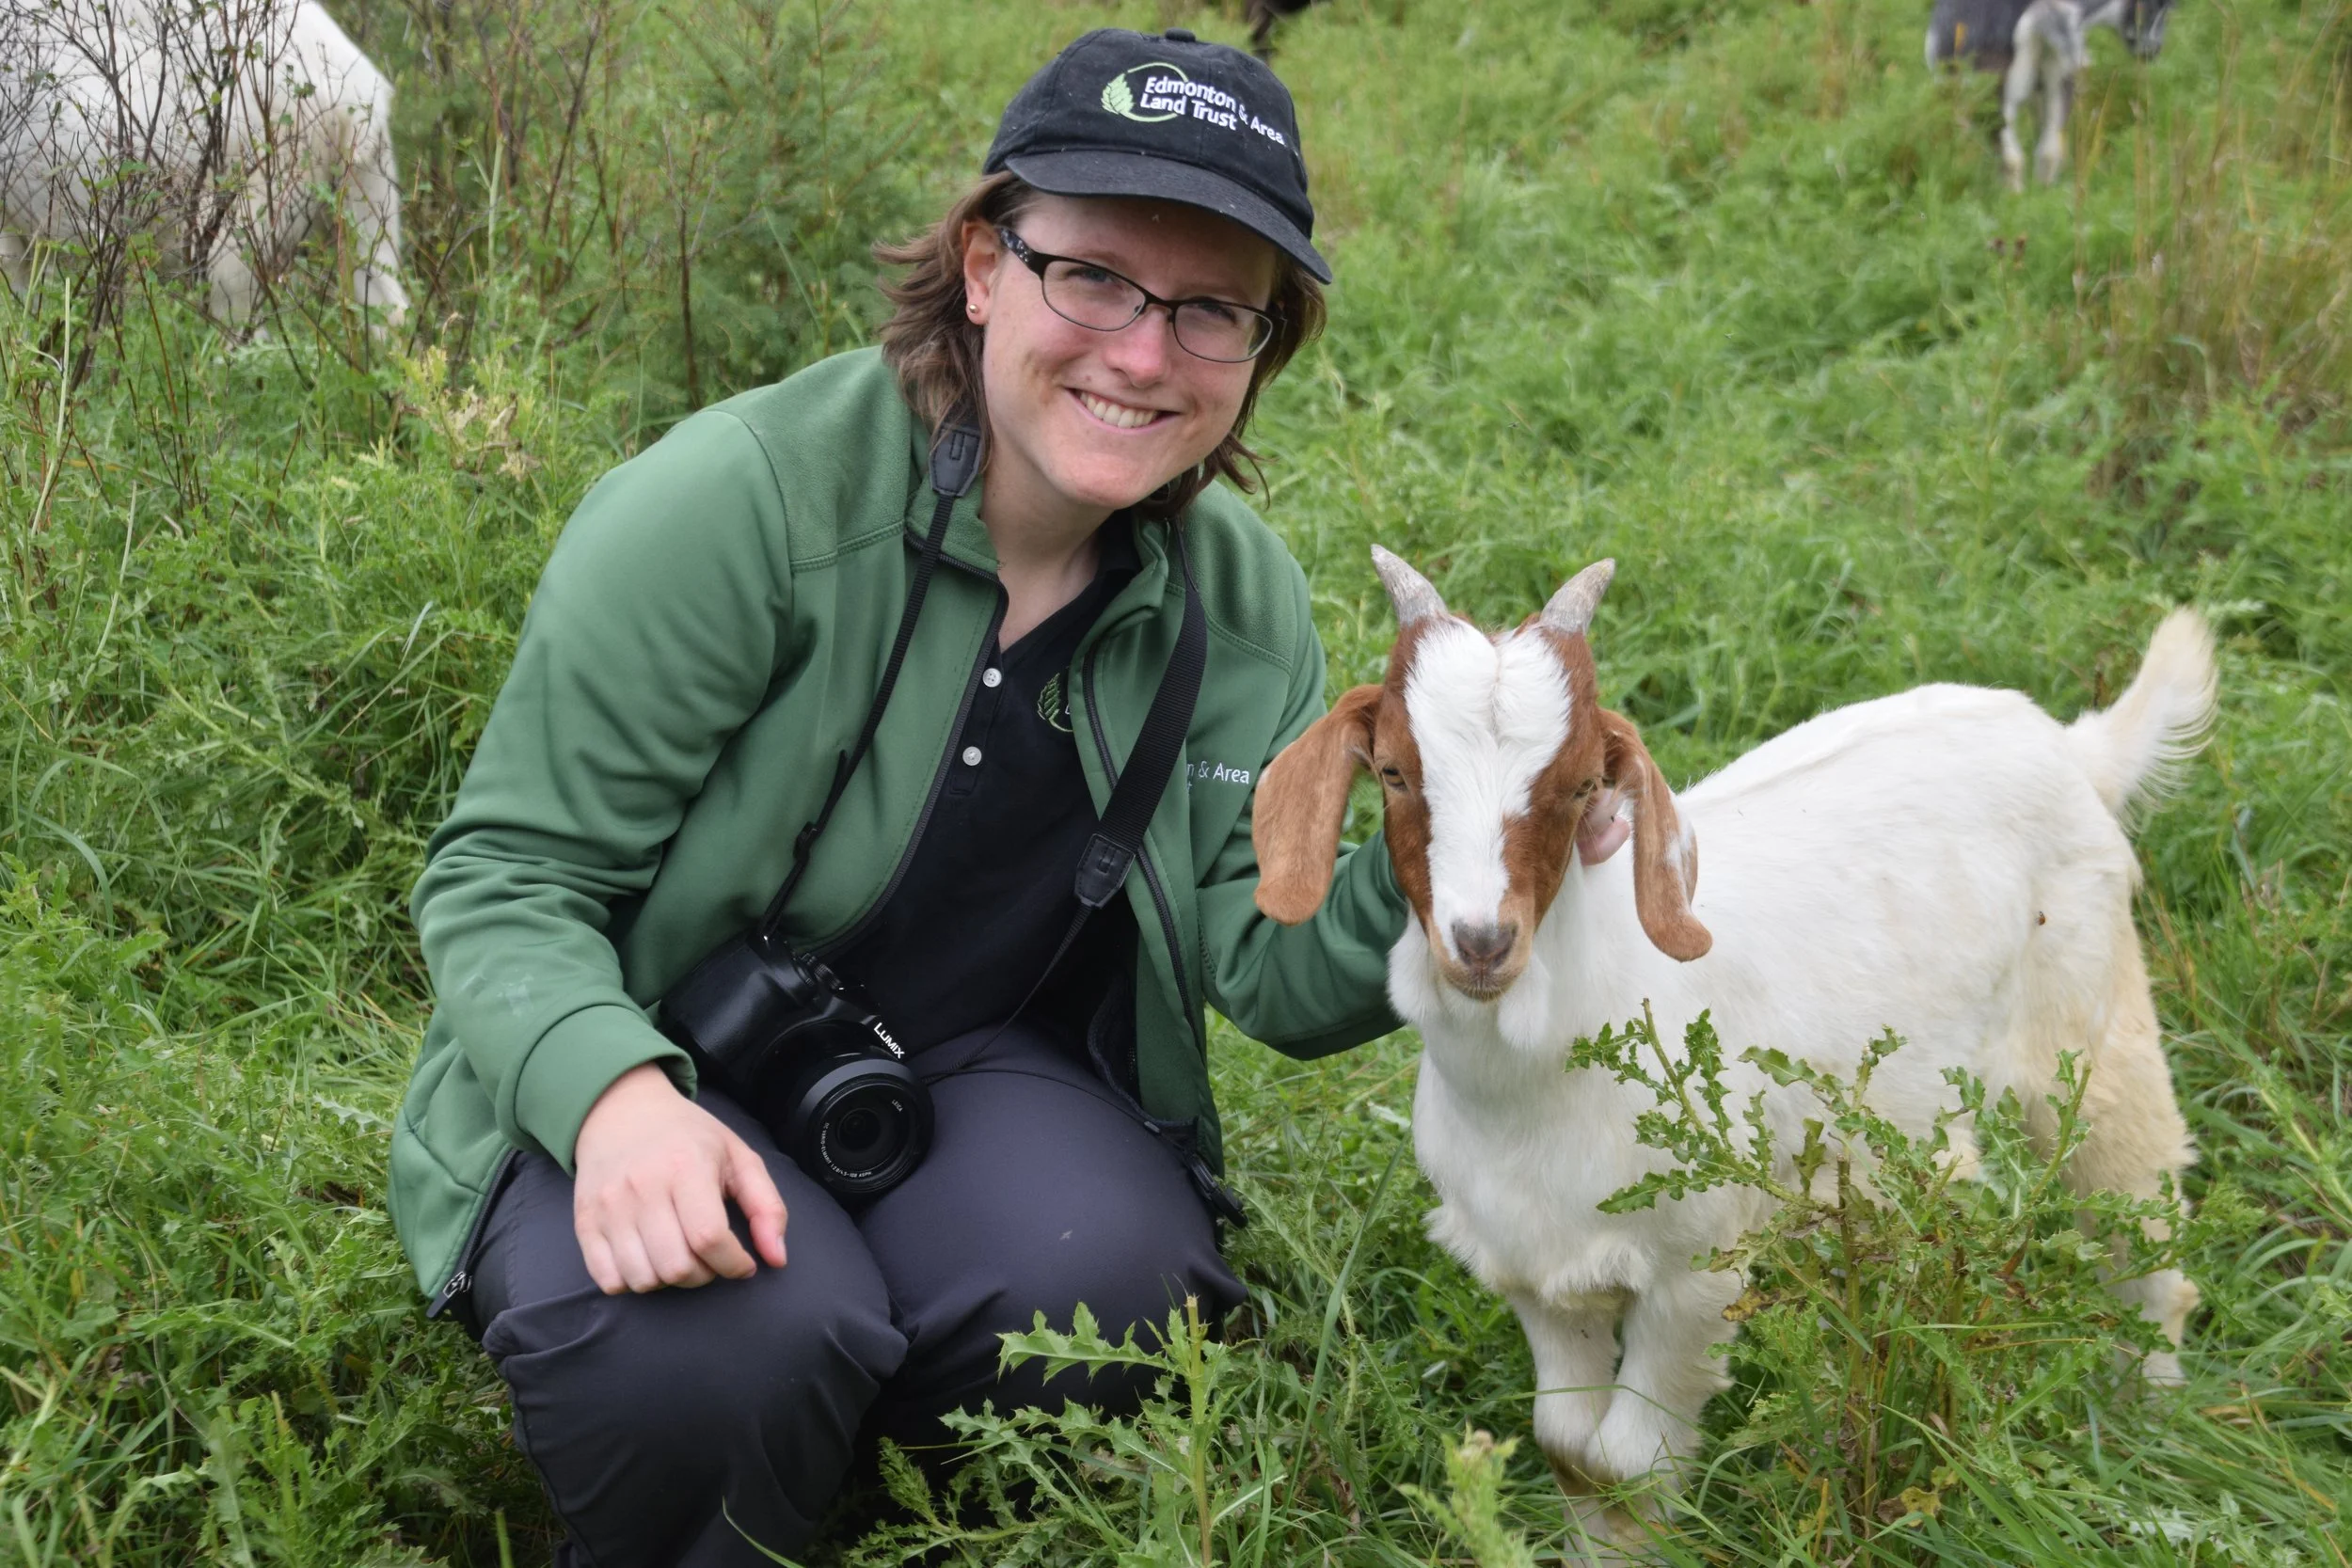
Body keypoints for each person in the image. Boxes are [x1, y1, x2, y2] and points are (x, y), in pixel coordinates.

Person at [389, 25, 1409, 1567]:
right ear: (985, 262)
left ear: (1268, 350)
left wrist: (1454, 838)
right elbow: (504, 877)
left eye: (1213, 312)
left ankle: (898, 1487)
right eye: (1096, 278)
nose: (1144, 353)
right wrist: (612, 1098)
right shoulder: (742, 503)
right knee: (721, 1359)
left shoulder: (1236, 600)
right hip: (654, 1049)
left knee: (1118, 1289)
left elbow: (1273, 957)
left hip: (965, 1073)